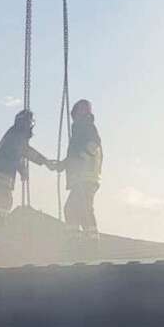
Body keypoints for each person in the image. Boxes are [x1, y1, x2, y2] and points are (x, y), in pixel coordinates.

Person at [0, 109, 51, 213]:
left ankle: (0, 217)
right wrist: (45, 161)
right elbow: (24, 151)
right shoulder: (17, 134)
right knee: (5, 200)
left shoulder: (15, 133)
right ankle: (0, 219)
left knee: (5, 200)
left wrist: (24, 170)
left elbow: (18, 154)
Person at [57, 99, 103, 234]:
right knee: (76, 209)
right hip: (84, 178)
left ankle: (85, 239)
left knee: (78, 208)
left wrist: (84, 155)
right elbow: (75, 154)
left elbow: (94, 144)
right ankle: (79, 237)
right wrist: (63, 164)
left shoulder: (85, 126)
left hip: (85, 177)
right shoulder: (81, 128)